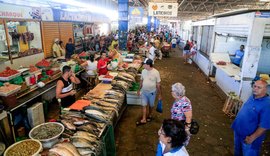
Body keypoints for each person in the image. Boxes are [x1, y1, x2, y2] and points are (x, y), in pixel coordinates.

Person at [231, 80, 270, 156]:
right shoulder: (252, 97)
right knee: (237, 152)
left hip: (249, 138)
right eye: (254, 86)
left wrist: (252, 138)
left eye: (259, 87)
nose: (255, 89)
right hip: (238, 132)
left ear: (265, 90)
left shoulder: (267, 105)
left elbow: (264, 126)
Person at [136, 58, 162, 126]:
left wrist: (160, 94)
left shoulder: (156, 72)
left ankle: (149, 115)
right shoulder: (143, 71)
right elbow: (141, 81)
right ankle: (144, 119)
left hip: (152, 93)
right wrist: (139, 90)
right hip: (144, 92)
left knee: (151, 105)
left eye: (144, 64)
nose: (143, 65)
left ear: (148, 65)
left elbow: (158, 84)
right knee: (144, 105)